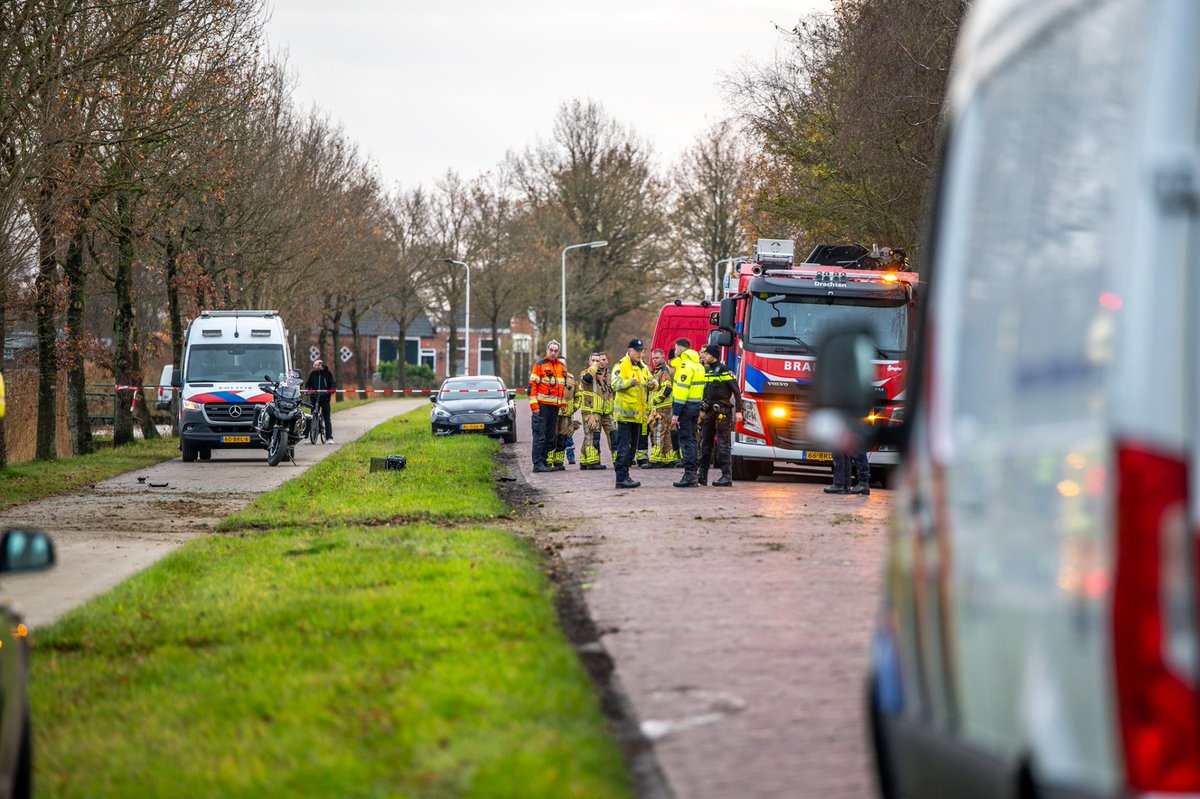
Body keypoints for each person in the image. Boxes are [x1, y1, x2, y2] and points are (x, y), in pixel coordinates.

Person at [697, 344, 743, 487]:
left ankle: (726, 477)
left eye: (706, 354)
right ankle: (702, 476)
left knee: (723, 444)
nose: (704, 356)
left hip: (723, 411)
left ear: (714, 355)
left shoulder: (725, 371)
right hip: (709, 411)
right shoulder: (706, 370)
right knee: (705, 444)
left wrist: (739, 411)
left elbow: (737, 392)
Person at [611, 338, 653, 489]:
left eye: (642, 351)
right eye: (637, 351)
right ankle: (621, 478)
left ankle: (625, 475)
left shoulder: (643, 367)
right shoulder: (621, 366)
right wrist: (630, 382)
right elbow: (614, 384)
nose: (640, 353)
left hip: (638, 415)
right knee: (624, 447)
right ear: (630, 351)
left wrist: (654, 384)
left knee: (632, 449)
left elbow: (652, 381)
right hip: (624, 416)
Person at [669, 337, 706, 488]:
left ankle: (689, 475)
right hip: (695, 406)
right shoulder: (698, 366)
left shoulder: (686, 366)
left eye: (675, 348)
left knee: (686, 441)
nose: (674, 350)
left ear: (680, 348)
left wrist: (676, 413)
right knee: (692, 439)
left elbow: (682, 391)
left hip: (684, 408)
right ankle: (694, 473)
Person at [528, 340, 567, 473]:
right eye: (551, 350)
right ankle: (537, 464)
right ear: (547, 350)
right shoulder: (539, 365)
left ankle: (544, 462)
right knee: (540, 436)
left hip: (554, 407)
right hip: (542, 407)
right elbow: (532, 386)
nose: (553, 353)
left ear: (558, 352)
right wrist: (534, 406)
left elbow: (561, 388)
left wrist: (562, 404)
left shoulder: (561, 367)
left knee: (551, 437)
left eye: (556, 351)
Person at [578, 352, 617, 470]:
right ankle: (592, 462)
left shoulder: (609, 374)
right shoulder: (586, 373)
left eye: (598, 360)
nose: (597, 362)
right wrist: (594, 368)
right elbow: (587, 380)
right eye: (594, 360)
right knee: (592, 436)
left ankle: (617, 460)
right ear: (589, 362)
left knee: (614, 435)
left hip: (607, 411)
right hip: (591, 411)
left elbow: (612, 392)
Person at [643, 347, 675, 468]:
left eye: (657, 358)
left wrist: (656, 400)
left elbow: (668, 388)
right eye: (653, 358)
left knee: (657, 432)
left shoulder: (663, 372)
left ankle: (655, 460)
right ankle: (668, 459)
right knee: (665, 433)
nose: (654, 360)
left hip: (662, 408)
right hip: (660, 407)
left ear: (663, 357)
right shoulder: (656, 372)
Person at [549, 370, 581, 471]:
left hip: (566, 414)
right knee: (551, 437)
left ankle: (559, 461)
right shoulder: (550, 377)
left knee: (562, 438)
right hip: (553, 413)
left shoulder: (571, 378)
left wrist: (574, 407)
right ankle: (548, 461)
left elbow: (578, 395)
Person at [304, 359, 336, 442]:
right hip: (314, 398)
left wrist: (331, 390)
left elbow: (332, 383)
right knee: (312, 417)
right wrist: (308, 390)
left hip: (325, 398)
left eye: (315, 365)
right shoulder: (312, 374)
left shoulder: (328, 373)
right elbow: (308, 384)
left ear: (320, 365)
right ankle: (310, 436)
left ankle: (329, 437)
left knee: (327, 418)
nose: (313, 367)